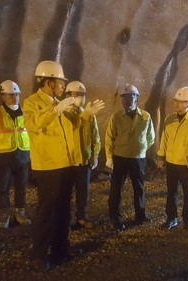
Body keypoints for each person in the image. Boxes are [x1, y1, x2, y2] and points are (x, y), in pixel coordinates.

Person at [23, 60, 105, 270]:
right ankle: (39, 254)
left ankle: (60, 249)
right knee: (47, 211)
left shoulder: (60, 103)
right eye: (60, 82)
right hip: (48, 166)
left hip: (66, 165)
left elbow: (75, 125)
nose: (62, 86)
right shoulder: (33, 103)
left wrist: (87, 114)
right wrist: (57, 109)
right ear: (49, 82)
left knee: (63, 210)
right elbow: (34, 124)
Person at [105, 84, 155, 231]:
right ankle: (115, 217)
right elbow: (109, 138)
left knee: (138, 187)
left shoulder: (145, 117)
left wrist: (141, 148)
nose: (126, 100)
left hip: (138, 158)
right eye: (124, 97)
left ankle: (140, 215)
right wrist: (109, 158)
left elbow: (151, 138)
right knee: (116, 188)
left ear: (137, 98)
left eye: (130, 97)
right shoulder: (116, 117)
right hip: (120, 157)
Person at [0, 80, 31, 229]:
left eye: (16, 94)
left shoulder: (25, 111)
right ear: (3, 96)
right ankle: (5, 214)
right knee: (3, 187)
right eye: (11, 95)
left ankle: (20, 213)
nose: (15, 98)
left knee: (21, 186)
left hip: (23, 155)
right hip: (3, 157)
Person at [157, 86, 188, 232]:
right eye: (175, 101)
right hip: (171, 162)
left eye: (180, 101)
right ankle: (171, 218)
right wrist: (161, 156)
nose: (176, 104)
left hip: (187, 164)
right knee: (171, 192)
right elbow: (164, 139)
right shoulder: (169, 119)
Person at [65, 81, 101, 229]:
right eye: (76, 95)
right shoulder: (63, 113)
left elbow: (95, 137)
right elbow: (73, 126)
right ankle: (65, 220)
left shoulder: (89, 114)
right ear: (68, 96)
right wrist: (87, 114)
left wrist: (95, 155)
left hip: (83, 161)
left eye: (82, 95)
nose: (80, 98)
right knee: (65, 194)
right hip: (67, 162)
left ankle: (82, 217)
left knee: (83, 192)